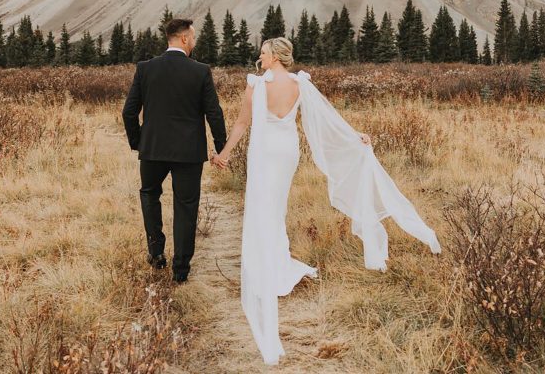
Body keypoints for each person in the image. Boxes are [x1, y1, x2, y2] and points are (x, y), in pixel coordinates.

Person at [212, 37, 441, 365]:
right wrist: (353, 136)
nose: (259, 56)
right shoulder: (298, 85)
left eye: (263, 51)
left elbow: (241, 124)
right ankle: (276, 264)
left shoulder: (256, 86)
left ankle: (269, 266)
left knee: (265, 209)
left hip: (264, 153)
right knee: (276, 207)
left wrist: (224, 154)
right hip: (287, 152)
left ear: (275, 56)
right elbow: (327, 116)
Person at [121, 18, 227, 283]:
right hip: (189, 152)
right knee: (186, 206)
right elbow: (214, 113)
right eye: (192, 37)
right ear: (183, 39)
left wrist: (139, 141)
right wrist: (221, 147)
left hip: (153, 148)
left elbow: (129, 112)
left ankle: (156, 255)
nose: (194, 41)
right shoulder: (200, 71)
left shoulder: (146, 69)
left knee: (149, 195)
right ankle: (181, 270)